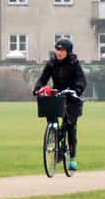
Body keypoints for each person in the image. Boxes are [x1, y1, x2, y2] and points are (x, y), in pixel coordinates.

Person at [33, 38, 87, 170]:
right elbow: (43, 78)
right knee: (52, 117)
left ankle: (73, 157)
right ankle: (55, 140)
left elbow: (81, 79)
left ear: (68, 52)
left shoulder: (74, 63)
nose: (59, 53)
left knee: (70, 125)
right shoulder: (52, 63)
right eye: (58, 50)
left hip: (71, 96)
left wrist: (77, 90)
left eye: (62, 50)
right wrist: (38, 88)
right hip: (57, 94)